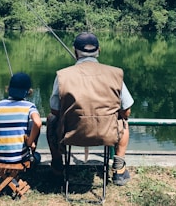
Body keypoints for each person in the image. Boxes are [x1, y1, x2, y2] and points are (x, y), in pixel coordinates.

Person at [46, 32, 134, 186]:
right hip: (108, 134)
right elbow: (126, 110)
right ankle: (119, 170)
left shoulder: (62, 76)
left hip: (70, 134)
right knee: (124, 122)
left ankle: (57, 166)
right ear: (99, 50)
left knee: (51, 119)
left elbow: (54, 110)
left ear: (75, 51)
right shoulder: (115, 74)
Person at [0, 72, 42, 164]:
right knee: (37, 157)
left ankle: (10, 177)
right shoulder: (29, 106)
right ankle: (25, 169)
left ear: (9, 89)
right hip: (18, 157)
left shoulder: (0, 104)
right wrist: (30, 142)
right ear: (28, 91)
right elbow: (38, 123)